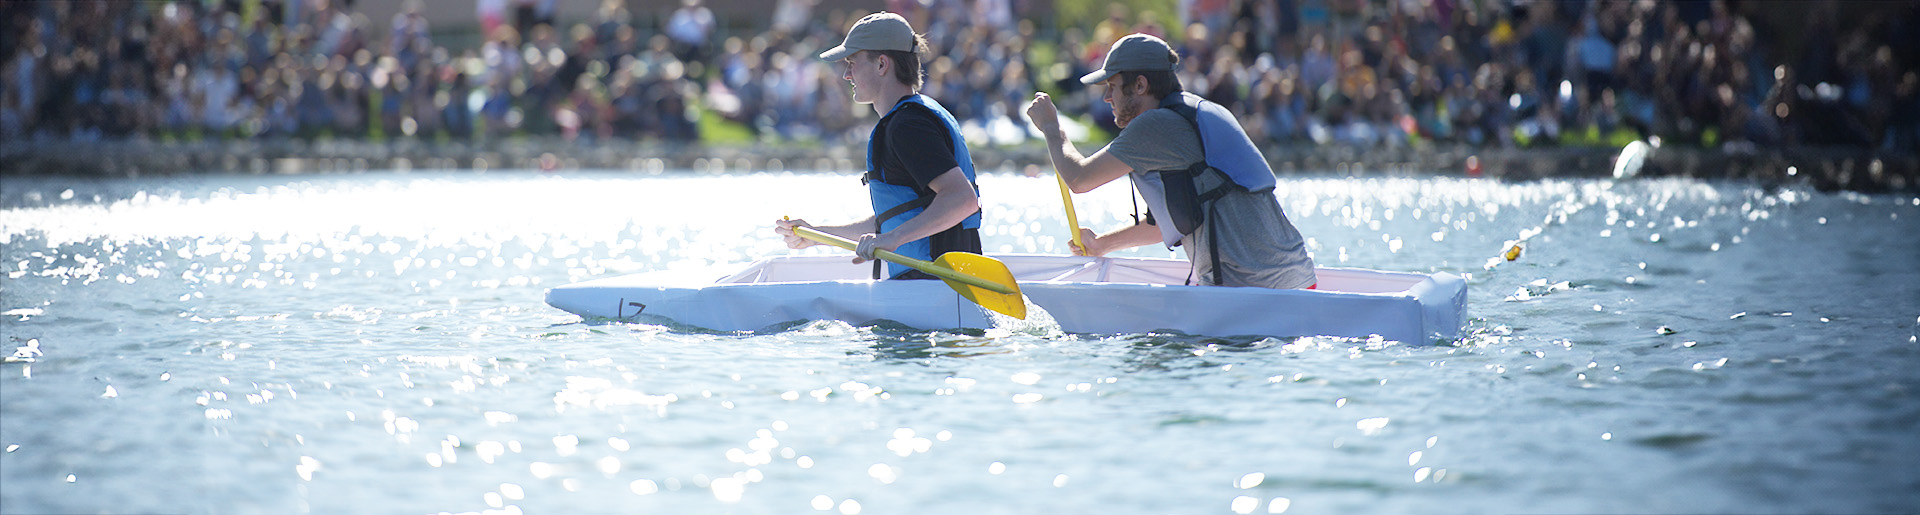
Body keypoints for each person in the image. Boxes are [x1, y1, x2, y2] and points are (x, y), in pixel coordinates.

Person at [1025, 33, 1316, 289]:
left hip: (1250, 290)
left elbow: (1078, 179)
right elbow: (1170, 222)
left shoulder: (1157, 125)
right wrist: (1102, 244)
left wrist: (1052, 128)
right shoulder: (1198, 111)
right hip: (1299, 280)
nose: (1106, 97)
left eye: (1112, 86)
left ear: (1140, 85)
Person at [775, 12, 983, 280]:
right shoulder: (911, 118)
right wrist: (816, 235)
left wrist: (893, 238)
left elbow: (962, 200)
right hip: (934, 286)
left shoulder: (908, 126)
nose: (846, 75)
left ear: (882, 64)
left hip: (936, 286)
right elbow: (895, 217)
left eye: (852, 63)